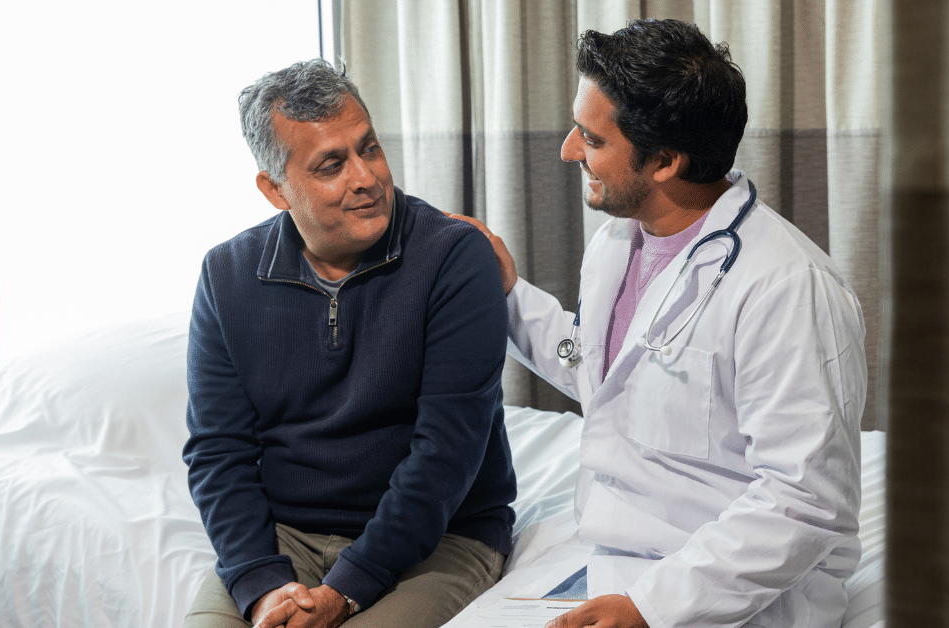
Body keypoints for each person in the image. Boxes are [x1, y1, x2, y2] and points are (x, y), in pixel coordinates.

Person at [454, 19, 867, 628]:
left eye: (592, 140)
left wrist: (651, 608)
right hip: (610, 558)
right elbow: (603, 373)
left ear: (667, 160)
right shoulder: (622, 241)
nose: (569, 150)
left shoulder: (786, 288)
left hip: (734, 589)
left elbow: (803, 500)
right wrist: (507, 294)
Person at [182, 59, 516, 628]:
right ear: (275, 189)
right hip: (285, 539)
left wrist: (347, 589)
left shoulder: (455, 258)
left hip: (440, 538)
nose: (366, 177)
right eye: (331, 165)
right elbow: (218, 454)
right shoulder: (226, 275)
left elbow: (446, 454)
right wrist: (263, 583)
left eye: (370, 148)